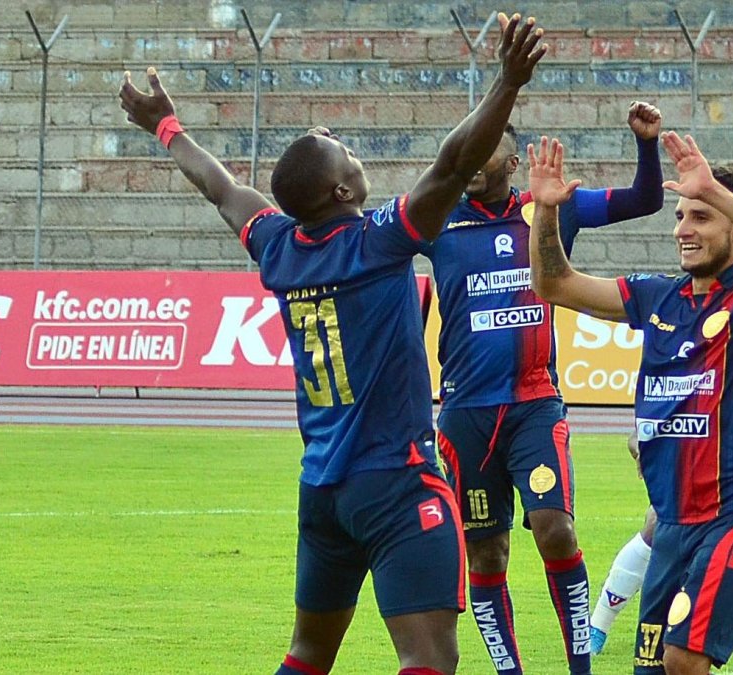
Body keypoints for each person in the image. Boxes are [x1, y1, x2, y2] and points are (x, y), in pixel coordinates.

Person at [118, 14, 547, 675]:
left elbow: (222, 189)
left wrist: (166, 129)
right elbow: (458, 162)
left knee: (309, 653)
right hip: (398, 482)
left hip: (324, 487)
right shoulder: (379, 242)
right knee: (429, 658)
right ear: (343, 190)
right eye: (345, 151)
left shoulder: (278, 247)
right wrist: (509, 83)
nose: (354, 151)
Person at [526, 133, 733, 674]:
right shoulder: (657, 297)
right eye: (680, 216)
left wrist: (718, 192)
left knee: (684, 657)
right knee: (653, 669)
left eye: (700, 216)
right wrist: (544, 210)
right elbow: (554, 283)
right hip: (675, 520)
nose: (683, 229)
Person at [425, 102, 665, 675]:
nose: (472, 162)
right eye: (464, 150)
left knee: (555, 530)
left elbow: (645, 199)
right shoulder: (435, 218)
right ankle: (510, 669)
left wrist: (647, 146)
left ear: (511, 159)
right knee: (486, 550)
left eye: (484, 150)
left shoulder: (549, 207)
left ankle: (579, 666)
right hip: (464, 413)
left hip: (534, 404)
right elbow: (364, 235)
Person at [589, 373, 733, 656]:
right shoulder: (700, 376)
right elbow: (638, 436)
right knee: (655, 524)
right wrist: (645, 452)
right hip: (692, 498)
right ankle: (597, 628)